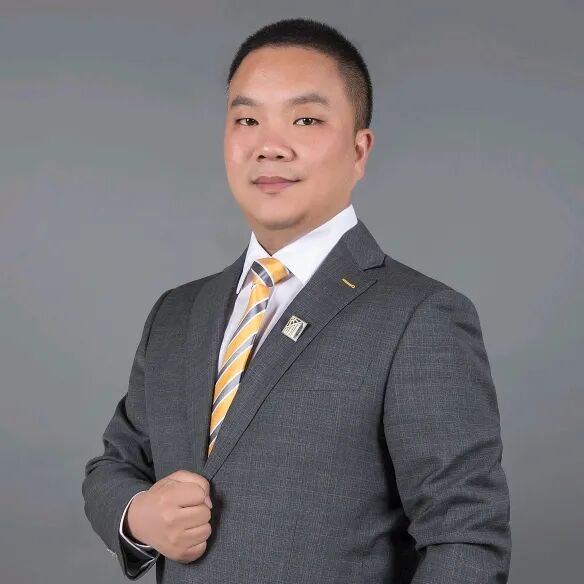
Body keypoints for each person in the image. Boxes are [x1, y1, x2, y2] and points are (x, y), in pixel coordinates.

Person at [82, 17, 511, 583]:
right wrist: (137, 515)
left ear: (359, 150)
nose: (269, 147)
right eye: (247, 119)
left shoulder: (419, 316)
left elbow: (465, 536)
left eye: (305, 119)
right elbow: (114, 466)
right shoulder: (177, 313)